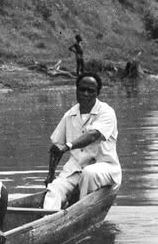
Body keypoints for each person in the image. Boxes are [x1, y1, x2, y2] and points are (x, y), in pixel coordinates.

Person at [44, 72, 122, 210]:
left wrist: (68, 146)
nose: (85, 94)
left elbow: (93, 135)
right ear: (76, 90)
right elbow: (56, 146)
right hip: (75, 169)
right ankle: (47, 219)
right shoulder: (69, 115)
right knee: (54, 189)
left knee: (89, 173)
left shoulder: (106, 112)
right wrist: (50, 175)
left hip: (105, 167)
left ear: (97, 93)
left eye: (90, 91)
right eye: (82, 90)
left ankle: (77, 208)